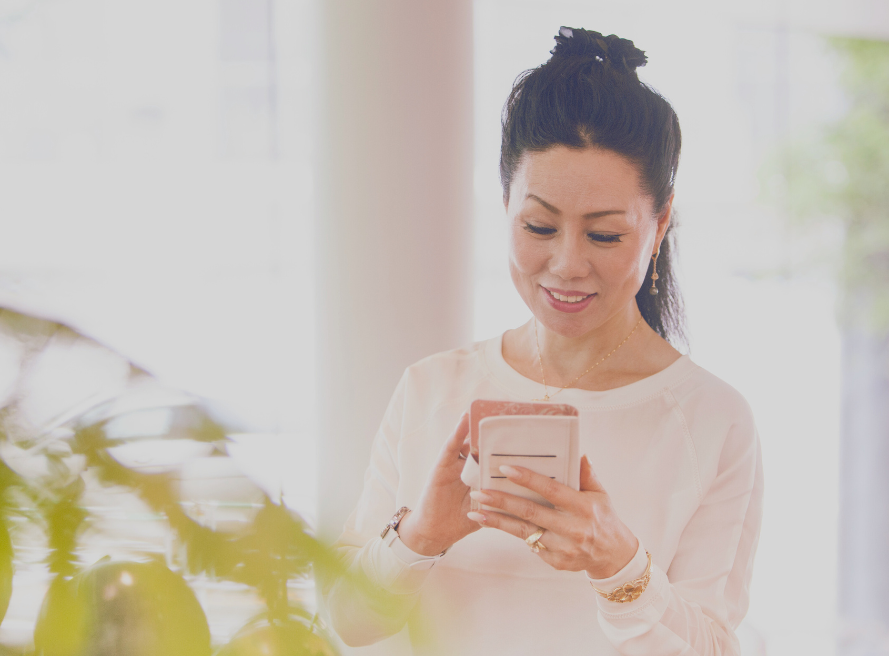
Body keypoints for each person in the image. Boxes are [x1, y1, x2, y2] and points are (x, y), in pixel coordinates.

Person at [323, 27, 763, 656]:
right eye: (539, 225)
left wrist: (620, 566)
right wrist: (419, 536)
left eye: (604, 235)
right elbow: (344, 624)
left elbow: (713, 646)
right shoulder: (431, 388)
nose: (566, 265)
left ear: (660, 223)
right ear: (505, 204)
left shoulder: (712, 420)